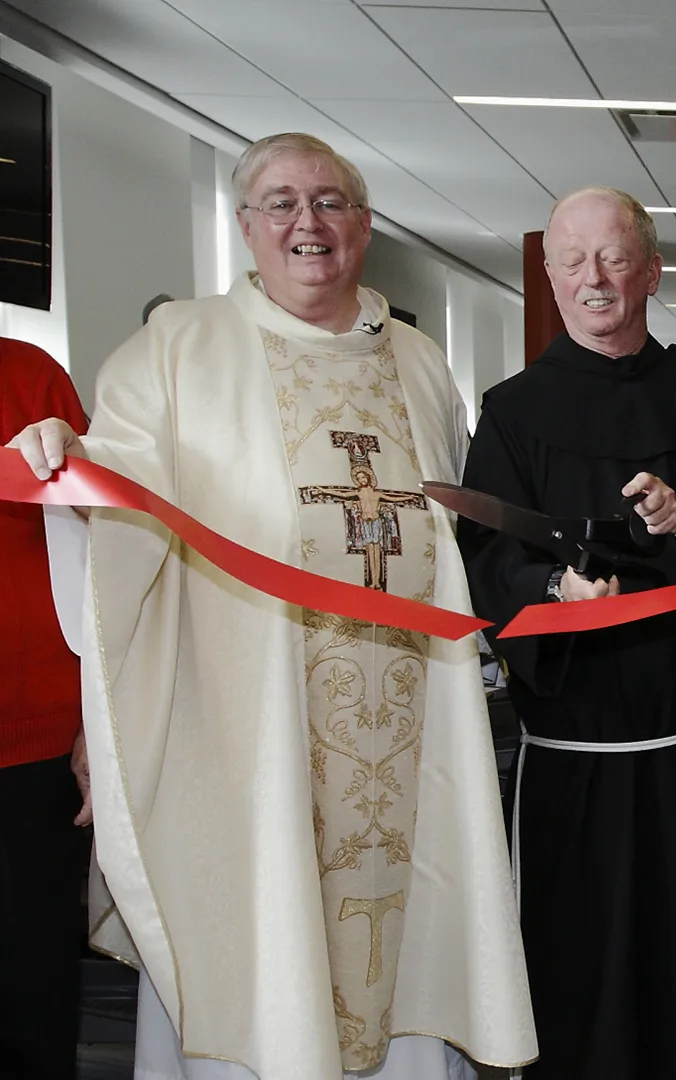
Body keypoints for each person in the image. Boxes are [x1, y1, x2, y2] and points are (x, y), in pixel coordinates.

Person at [7, 133, 536, 1080]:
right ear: (245, 224)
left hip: (413, 721)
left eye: (331, 202)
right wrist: (69, 462)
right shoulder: (176, 348)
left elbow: (453, 529)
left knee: (407, 936)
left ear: (365, 224)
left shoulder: (417, 361)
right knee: (267, 944)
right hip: (255, 731)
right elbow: (124, 490)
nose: (308, 223)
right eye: (281, 203)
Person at [457, 187, 676, 1080]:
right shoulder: (513, 415)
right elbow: (482, 557)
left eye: (614, 257)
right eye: (574, 261)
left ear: (651, 271)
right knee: (577, 963)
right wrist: (554, 587)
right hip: (572, 753)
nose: (594, 279)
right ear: (552, 275)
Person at [0, 336, 89, 1080]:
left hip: (33, 742)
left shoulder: (29, 375)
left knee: (34, 992)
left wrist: (97, 726)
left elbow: (102, 560)